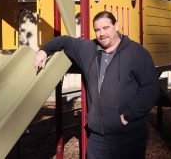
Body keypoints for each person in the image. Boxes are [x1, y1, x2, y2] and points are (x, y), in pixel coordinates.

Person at [33, 11, 159, 159]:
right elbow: (65, 41)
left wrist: (128, 116)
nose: (101, 34)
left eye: (106, 28)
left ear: (116, 26)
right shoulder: (88, 49)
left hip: (128, 135)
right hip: (98, 137)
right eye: (97, 30)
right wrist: (44, 50)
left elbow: (150, 89)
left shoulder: (136, 53)